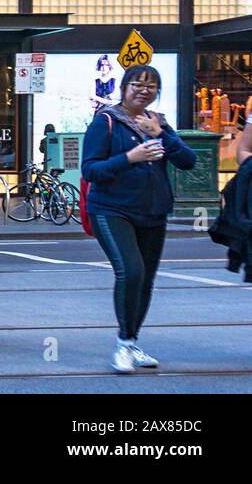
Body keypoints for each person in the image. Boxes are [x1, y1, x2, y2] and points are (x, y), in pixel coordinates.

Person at [81, 63, 196, 374]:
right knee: (130, 272)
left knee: (146, 279)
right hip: (111, 209)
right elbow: (90, 169)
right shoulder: (105, 121)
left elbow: (188, 161)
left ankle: (132, 342)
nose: (145, 90)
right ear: (124, 87)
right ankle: (122, 345)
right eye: (138, 84)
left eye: (152, 85)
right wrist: (129, 158)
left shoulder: (157, 123)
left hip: (153, 211)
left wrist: (162, 136)